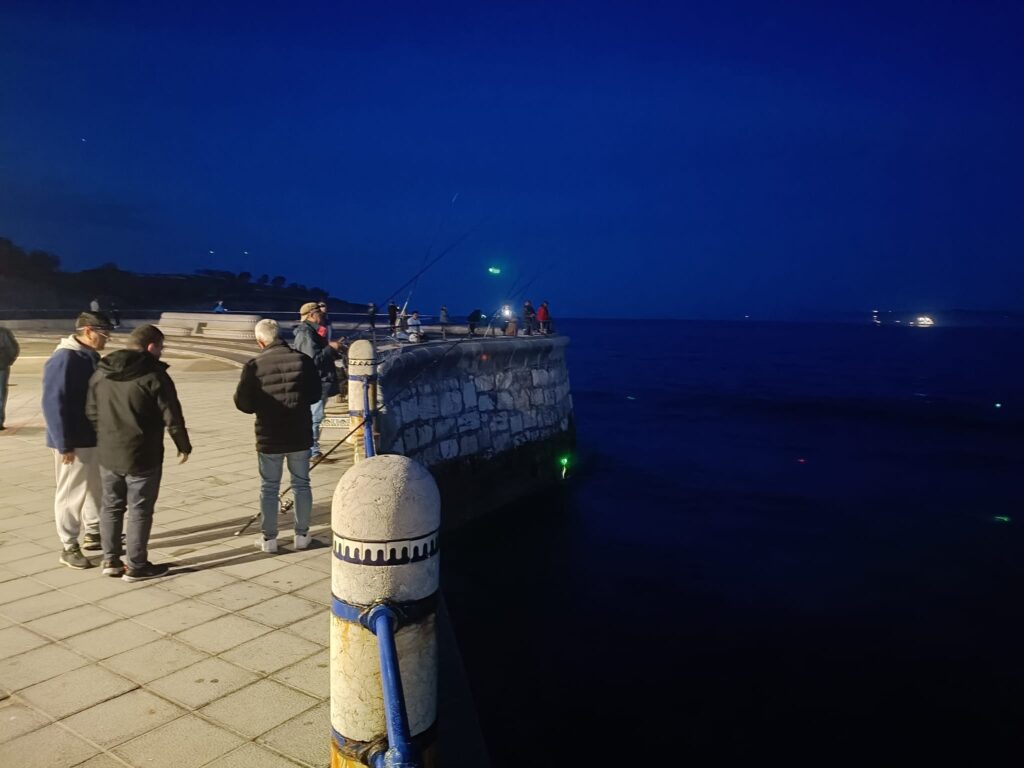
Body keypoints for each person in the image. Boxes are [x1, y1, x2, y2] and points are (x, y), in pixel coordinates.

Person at [86, 324, 191, 581]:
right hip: (143, 454)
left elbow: (91, 411)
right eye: (161, 347)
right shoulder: (154, 375)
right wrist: (183, 445)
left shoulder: (102, 372)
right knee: (140, 510)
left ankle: (110, 561)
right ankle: (137, 565)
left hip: (109, 452)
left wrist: (106, 436)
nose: (162, 352)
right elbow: (172, 415)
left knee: (111, 507)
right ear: (151, 346)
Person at [234, 319, 321, 553]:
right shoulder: (303, 360)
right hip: (299, 433)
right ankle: (302, 535)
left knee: (269, 488)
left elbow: (243, 403)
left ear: (260, 341)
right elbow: (315, 395)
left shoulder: (254, 365)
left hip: (269, 436)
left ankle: (269, 539)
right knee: (302, 484)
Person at [42, 312, 112, 568]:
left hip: (92, 436)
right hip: (73, 439)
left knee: (95, 487)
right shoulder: (65, 358)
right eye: (104, 334)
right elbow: (52, 403)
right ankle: (68, 544)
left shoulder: (88, 356)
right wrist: (63, 443)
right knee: (71, 492)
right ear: (88, 331)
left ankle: (93, 532)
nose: (107, 339)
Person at [292, 301, 342, 460]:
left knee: (315, 416)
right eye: (319, 313)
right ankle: (312, 451)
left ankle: (309, 448)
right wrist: (331, 348)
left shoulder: (311, 332)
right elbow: (313, 359)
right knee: (315, 417)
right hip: (316, 382)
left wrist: (334, 349)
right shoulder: (306, 333)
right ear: (312, 315)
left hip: (319, 380)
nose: (322, 316)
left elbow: (318, 353)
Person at [0, 325, 20, 431]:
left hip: (1, 367)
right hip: (2, 366)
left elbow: (13, 349)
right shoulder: (4, 332)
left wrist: (7, 361)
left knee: (1, 396)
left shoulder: (3, 332)